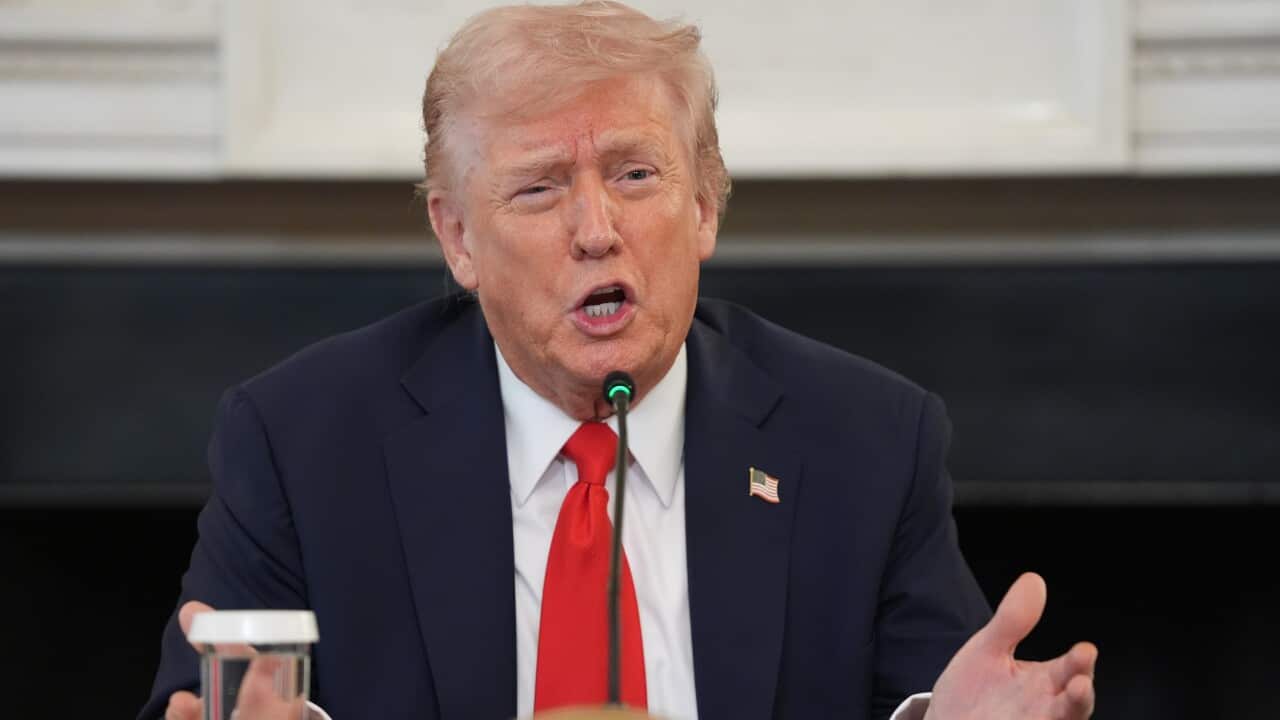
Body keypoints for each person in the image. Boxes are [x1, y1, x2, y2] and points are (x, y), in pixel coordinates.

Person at [141, 2, 1098, 719]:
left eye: (636, 175)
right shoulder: (304, 441)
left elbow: (948, 696)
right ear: (458, 238)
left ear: (706, 204)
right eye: (539, 189)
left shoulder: (864, 440)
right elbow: (211, 700)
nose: (598, 231)